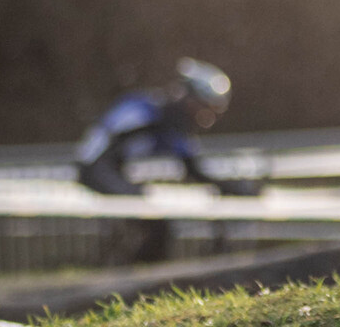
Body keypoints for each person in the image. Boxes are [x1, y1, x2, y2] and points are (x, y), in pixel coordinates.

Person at [73, 56, 234, 265]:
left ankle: (133, 273)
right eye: (203, 108)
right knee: (154, 222)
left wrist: (230, 186)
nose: (205, 118)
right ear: (189, 99)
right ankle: (129, 277)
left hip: (107, 170)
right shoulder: (144, 109)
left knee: (157, 224)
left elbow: (193, 168)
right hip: (94, 169)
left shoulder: (168, 121)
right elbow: (98, 154)